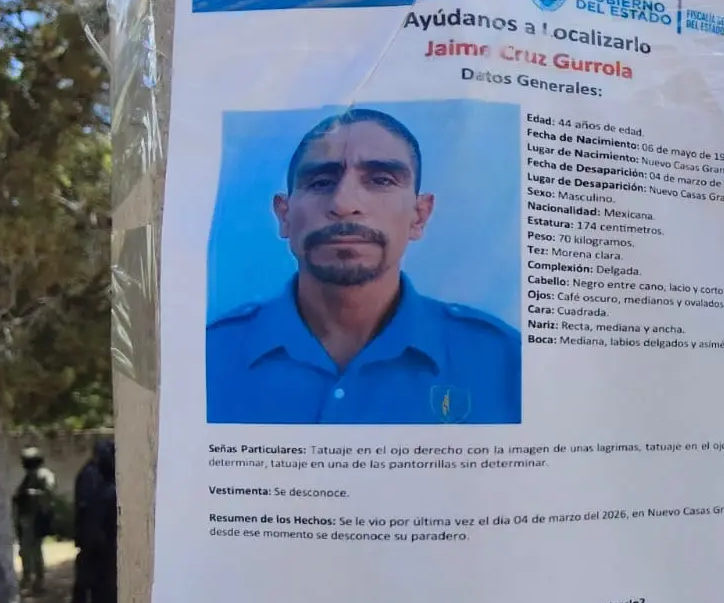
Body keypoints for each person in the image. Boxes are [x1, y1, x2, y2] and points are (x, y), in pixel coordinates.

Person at [205, 108, 521, 425]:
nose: (343, 204)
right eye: (320, 182)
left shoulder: (504, 362)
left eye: (381, 180)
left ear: (419, 216)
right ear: (284, 215)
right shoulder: (207, 354)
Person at [78, 439, 119, 603]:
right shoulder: (104, 489)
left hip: (108, 558)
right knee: (103, 601)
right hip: (103, 558)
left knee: (110, 601)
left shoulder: (111, 492)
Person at [68, 437, 112, 603]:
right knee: (85, 579)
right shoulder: (90, 474)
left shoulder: (94, 473)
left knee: (95, 579)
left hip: (94, 536)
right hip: (91, 536)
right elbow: (88, 507)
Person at [11, 447, 56, 594]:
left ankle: (39, 580)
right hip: (26, 517)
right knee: (24, 550)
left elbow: (49, 493)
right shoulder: (28, 477)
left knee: (35, 550)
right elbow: (19, 494)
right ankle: (27, 578)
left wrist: (32, 494)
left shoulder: (44, 475)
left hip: (37, 517)